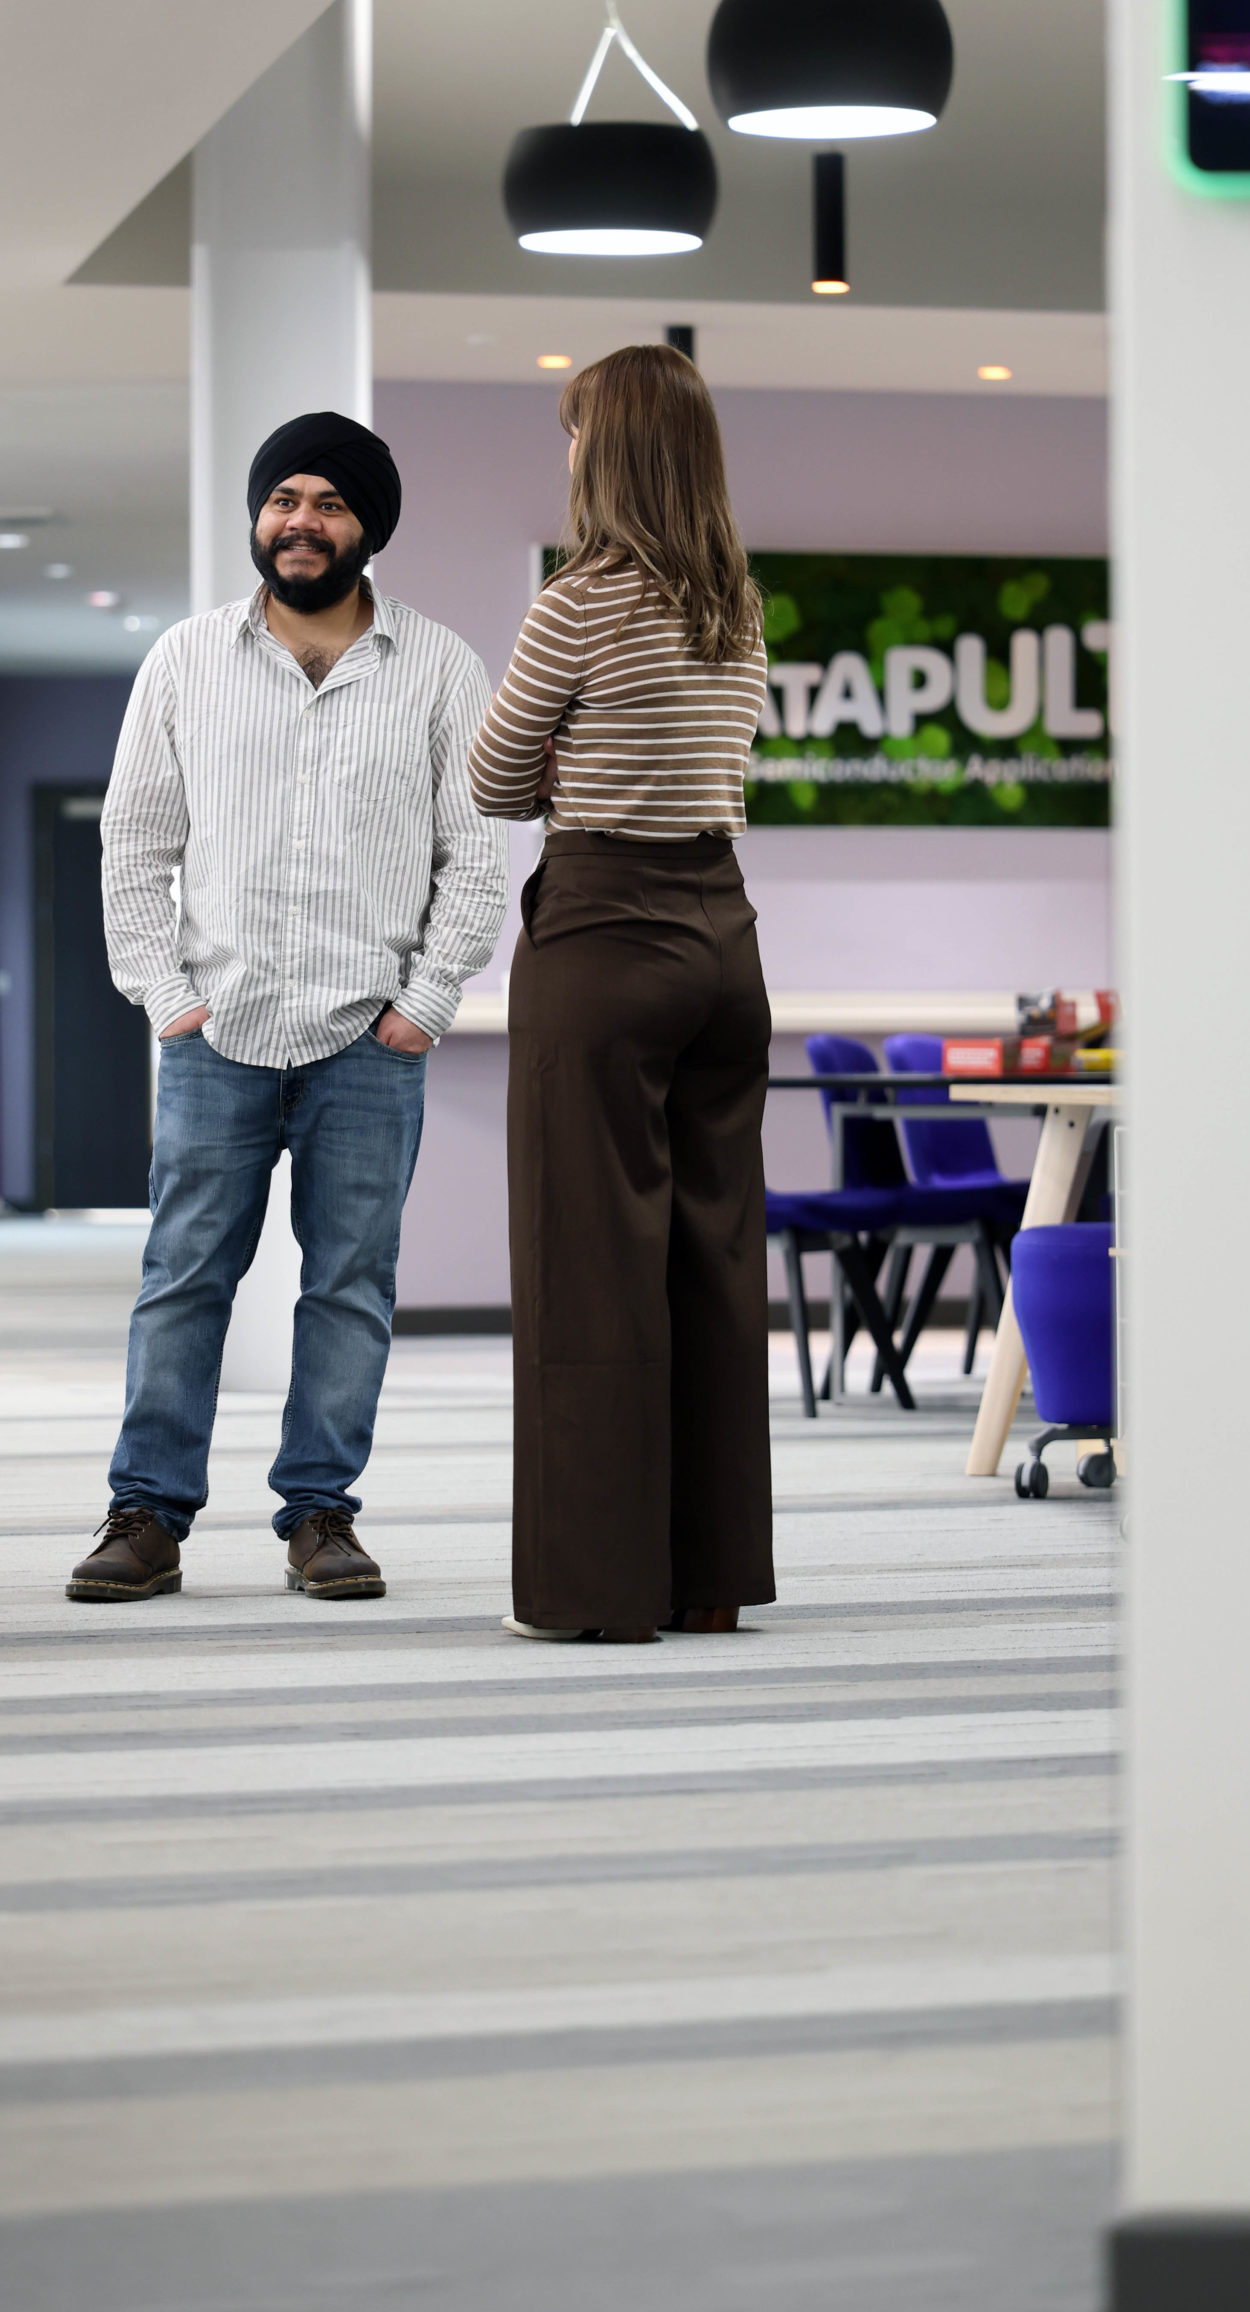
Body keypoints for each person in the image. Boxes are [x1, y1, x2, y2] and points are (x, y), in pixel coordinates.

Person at [67, 412, 508, 1606]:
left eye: (326, 503)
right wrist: (165, 995)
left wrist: (423, 1004)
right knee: (183, 1276)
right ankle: (146, 1516)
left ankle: (321, 1513)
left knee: (349, 1284)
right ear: (258, 518)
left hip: (370, 1036)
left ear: (370, 526)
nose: (299, 522)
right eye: (282, 501)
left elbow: (476, 851)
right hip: (217, 1032)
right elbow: (132, 845)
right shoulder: (186, 659)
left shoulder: (439, 667)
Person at [468, 344, 773, 1645]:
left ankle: (594, 1592)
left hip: (601, 934)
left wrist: (561, 771)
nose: (567, 454)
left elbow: (491, 778)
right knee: (710, 1261)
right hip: (722, 935)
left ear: (612, 450)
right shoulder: (733, 603)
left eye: (574, 432)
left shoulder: (575, 600)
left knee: (586, 1268)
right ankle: (705, 1579)